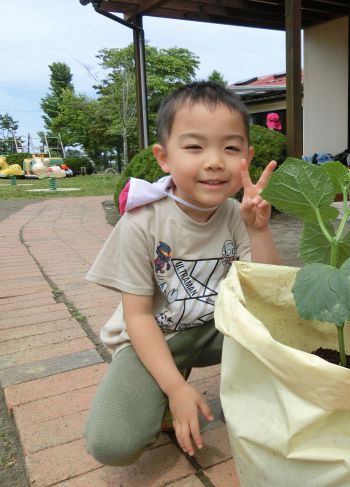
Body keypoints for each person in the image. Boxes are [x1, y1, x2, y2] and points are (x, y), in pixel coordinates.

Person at [84, 81, 281, 466]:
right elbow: (138, 315)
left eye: (230, 147)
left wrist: (259, 229)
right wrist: (175, 388)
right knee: (112, 443)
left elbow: (267, 296)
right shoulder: (142, 222)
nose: (214, 161)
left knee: (286, 325)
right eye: (194, 147)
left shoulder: (236, 214)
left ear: (248, 156)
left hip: (217, 329)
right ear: (163, 157)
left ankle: (265, 399)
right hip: (156, 335)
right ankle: (166, 383)